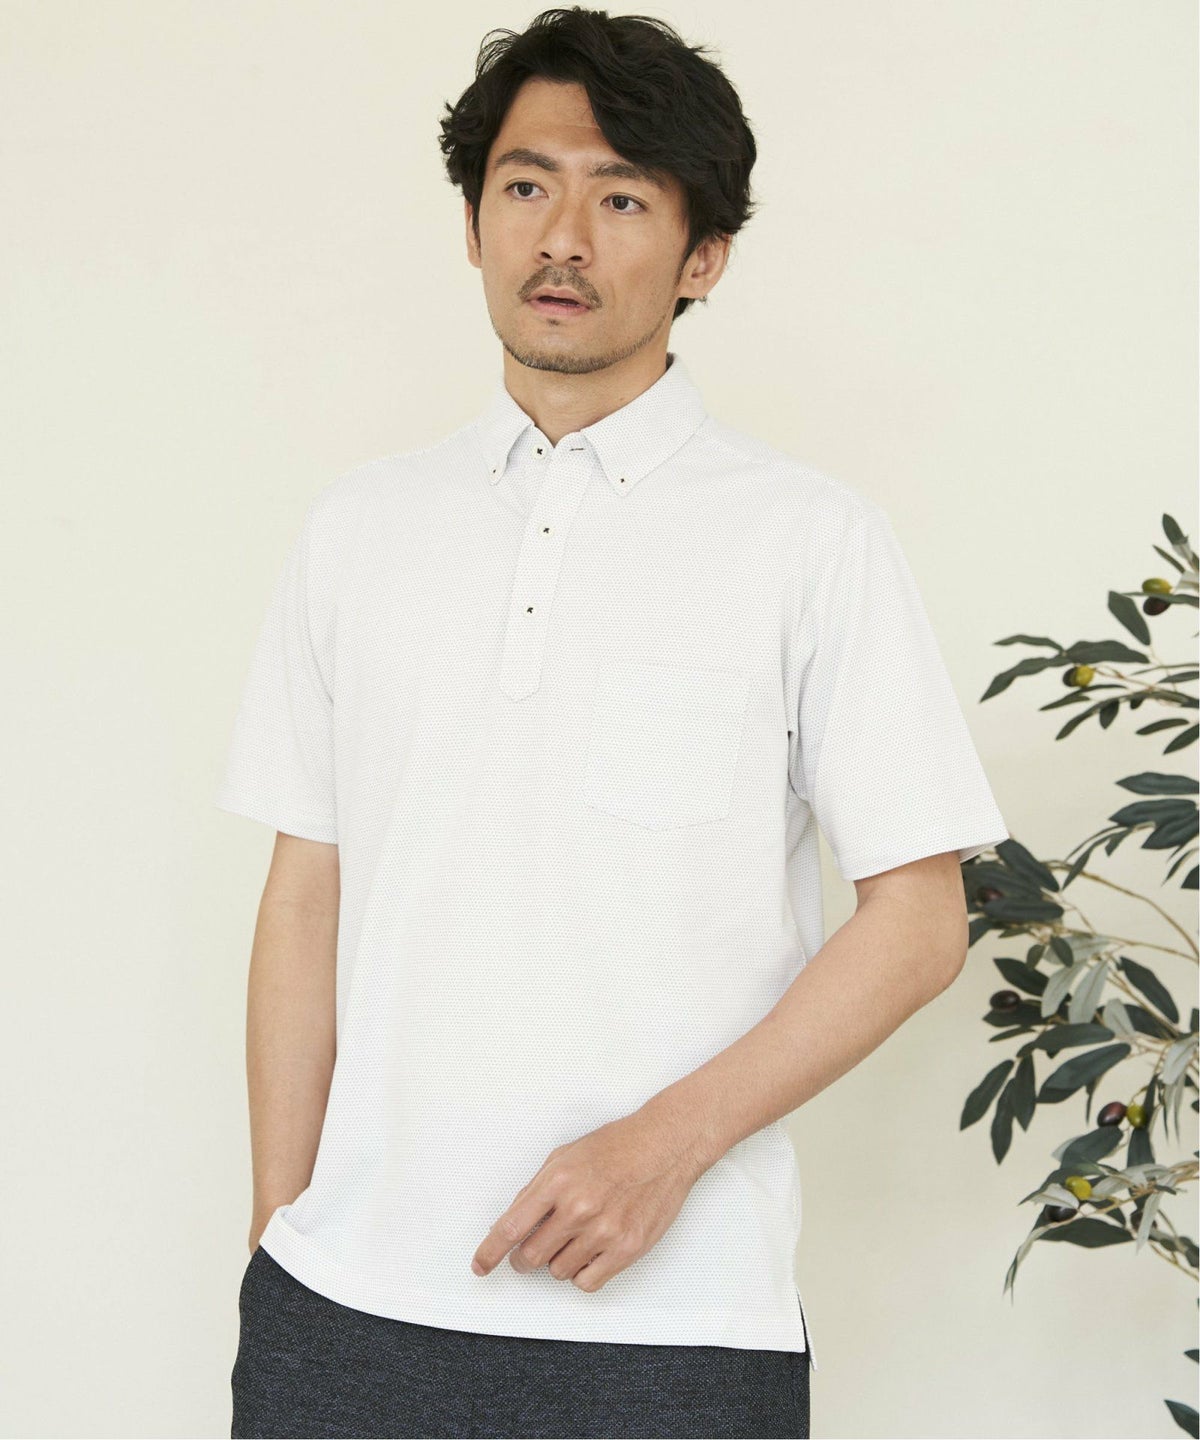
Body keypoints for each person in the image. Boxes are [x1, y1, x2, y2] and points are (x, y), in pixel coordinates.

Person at [216, 7, 1009, 1437]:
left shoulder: (809, 538)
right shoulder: (360, 528)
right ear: (473, 225)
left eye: (624, 198)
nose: (563, 238)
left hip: (675, 1326)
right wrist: (283, 1238)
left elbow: (920, 920)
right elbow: (305, 894)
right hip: (344, 1314)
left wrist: (664, 1149)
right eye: (526, 186)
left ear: (704, 256)